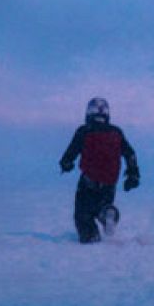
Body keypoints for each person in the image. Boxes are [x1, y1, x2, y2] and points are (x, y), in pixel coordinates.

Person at [58, 96, 139, 243]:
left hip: (88, 181)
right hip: (110, 183)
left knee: (82, 215)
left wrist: (66, 164)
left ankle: (91, 239)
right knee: (101, 207)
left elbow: (70, 153)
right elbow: (130, 153)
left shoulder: (84, 131)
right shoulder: (116, 132)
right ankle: (106, 213)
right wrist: (133, 175)